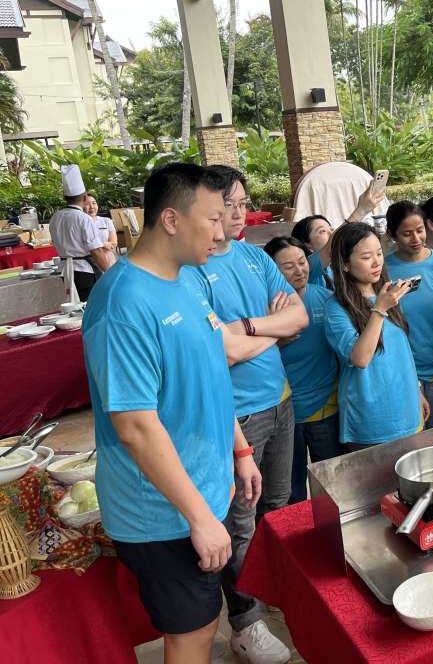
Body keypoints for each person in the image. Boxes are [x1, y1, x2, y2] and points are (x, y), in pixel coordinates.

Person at [82, 163, 271, 663]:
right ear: (170, 219)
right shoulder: (123, 304)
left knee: (203, 621)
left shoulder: (186, 280)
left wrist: (239, 449)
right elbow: (136, 426)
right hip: (163, 513)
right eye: (212, 219)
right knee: (192, 633)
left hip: (202, 491)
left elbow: (209, 372)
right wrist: (199, 517)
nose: (222, 231)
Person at [189, 165, 307, 664]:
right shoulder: (191, 271)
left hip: (280, 401)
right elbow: (220, 353)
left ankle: (274, 590)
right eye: (229, 205)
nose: (240, 214)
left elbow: (299, 317)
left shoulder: (255, 257)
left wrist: (248, 329)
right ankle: (246, 621)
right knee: (238, 522)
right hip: (234, 417)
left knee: (276, 508)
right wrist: (272, 328)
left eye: (243, 203)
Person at [324, 222, 428, 450]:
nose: (376, 262)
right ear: (344, 264)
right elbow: (360, 359)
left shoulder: (389, 294)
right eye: (366, 257)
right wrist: (379, 309)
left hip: (408, 408)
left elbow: (401, 353)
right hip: (371, 420)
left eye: (379, 253)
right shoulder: (336, 308)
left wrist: (417, 391)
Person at [263, 237, 342, 504]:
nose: (299, 270)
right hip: (284, 415)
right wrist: (275, 342)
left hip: (326, 409)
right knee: (289, 492)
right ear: (271, 270)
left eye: (302, 262)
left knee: (331, 486)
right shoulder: (262, 309)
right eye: (288, 266)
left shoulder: (326, 299)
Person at [384, 201, 433, 428]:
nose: (416, 239)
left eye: (420, 230)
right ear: (392, 234)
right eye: (407, 234)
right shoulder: (384, 270)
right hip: (404, 372)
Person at [50, 164, 115, 300]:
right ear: (85, 198)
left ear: (65, 198)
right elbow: (96, 251)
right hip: (84, 271)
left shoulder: (55, 217)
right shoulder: (83, 218)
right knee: (91, 305)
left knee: (74, 305)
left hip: (65, 271)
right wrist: (110, 274)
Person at [303, 183, 386, 289]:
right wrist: (361, 210)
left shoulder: (338, 270)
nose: (331, 233)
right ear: (307, 244)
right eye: (322, 231)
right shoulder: (307, 270)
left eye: (331, 229)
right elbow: (333, 245)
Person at [84, 192, 118, 257]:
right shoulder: (80, 224)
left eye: (94, 203)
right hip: (87, 259)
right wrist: (103, 245)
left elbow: (114, 243)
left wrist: (98, 245)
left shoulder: (106, 221)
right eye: (87, 204)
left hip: (107, 258)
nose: (91, 207)